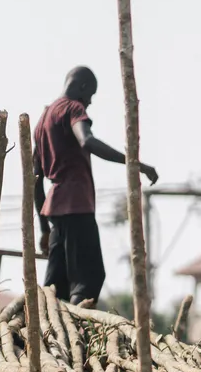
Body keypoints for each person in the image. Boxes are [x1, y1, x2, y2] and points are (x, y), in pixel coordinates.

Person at [34, 66, 158, 306]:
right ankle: (78, 332)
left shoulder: (43, 120)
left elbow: (35, 180)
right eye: (91, 95)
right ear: (82, 88)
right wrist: (135, 163)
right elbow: (87, 140)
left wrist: (44, 229)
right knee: (89, 278)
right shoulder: (73, 108)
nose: (90, 102)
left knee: (55, 285)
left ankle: (52, 331)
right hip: (76, 204)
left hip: (55, 210)